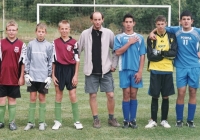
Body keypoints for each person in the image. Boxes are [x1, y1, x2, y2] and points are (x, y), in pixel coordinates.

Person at [149, 11, 200, 128]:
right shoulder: (176, 30)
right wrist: (152, 32)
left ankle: (190, 120)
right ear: (180, 21)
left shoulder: (197, 32)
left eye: (188, 19)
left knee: (193, 92)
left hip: (194, 67)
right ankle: (179, 120)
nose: (186, 21)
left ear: (192, 21)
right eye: (184, 19)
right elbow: (160, 27)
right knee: (181, 93)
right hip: (181, 67)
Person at [78, 11, 120, 128]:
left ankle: (111, 118)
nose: (97, 22)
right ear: (91, 20)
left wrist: (114, 64)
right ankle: (96, 119)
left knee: (111, 95)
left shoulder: (109, 33)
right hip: (90, 71)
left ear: (103, 20)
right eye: (95, 20)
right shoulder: (85, 34)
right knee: (93, 96)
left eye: (99, 19)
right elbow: (77, 50)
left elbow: (115, 50)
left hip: (106, 70)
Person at [114, 13, 146, 129]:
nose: (128, 24)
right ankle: (125, 120)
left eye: (130, 22)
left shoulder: (140, 38)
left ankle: (133, 120)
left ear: (134, 23)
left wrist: (140, 71)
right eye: (126, 22)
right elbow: (117, 52)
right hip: (124, 70)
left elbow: (142, 55)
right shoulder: (118, 37)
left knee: (133, 94)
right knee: (126, 94)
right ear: (123, 23)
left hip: (136, 70)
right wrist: (129, 42)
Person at [145, 15, 177, 129]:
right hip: (155, 70)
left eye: (162, 24)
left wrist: (159, 52)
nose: (160, 26)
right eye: (158, 24)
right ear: (155, 25)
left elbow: (173, 53)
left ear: (166, 24)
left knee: (166, 96)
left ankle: (164, 120)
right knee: (155, 96)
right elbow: (150, 56)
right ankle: (153, 120)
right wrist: (165, 53)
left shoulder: (172, 36)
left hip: (167, 70)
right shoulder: (151, 37)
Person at [51, 20, 83, 130]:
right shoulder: (54, 42)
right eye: (62, 28)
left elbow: (77, 60)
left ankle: (77, 121)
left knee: (73, 95)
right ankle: (58, 121)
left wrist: (75, 75)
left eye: (66, 28)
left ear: (69, 29)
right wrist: (53, 75)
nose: (64, 30)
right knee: (58, 95)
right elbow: (53, 60)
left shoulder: (74, 42)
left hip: (70, 70)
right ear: (59, 29)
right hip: (59, 70)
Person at [24, 23, 53, 131]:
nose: (41, 34)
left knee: (41, 98)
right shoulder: (31, 44)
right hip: (32, 76)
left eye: (43, 32)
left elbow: (50, 61)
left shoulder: (49, 45)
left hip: (43, 77)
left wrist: (49, 75)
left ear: (45, 33)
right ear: (36, 32)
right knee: (32, 98)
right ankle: (30, 122)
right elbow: (27, 59)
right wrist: (26, 73)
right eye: (39, 31)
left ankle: (42, 122)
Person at [0, 20, 26, 130]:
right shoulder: (1, 43)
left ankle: (12, 122)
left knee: (12, 99)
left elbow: (23, 62)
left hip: (14, 77)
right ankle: (1, 121)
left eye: (13, 30)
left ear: (17, 31)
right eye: (9, 30)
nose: (11, 32)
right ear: (6, 31)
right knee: (1, 100)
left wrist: (21, 77)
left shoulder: (22, 45)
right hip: (1, 77)